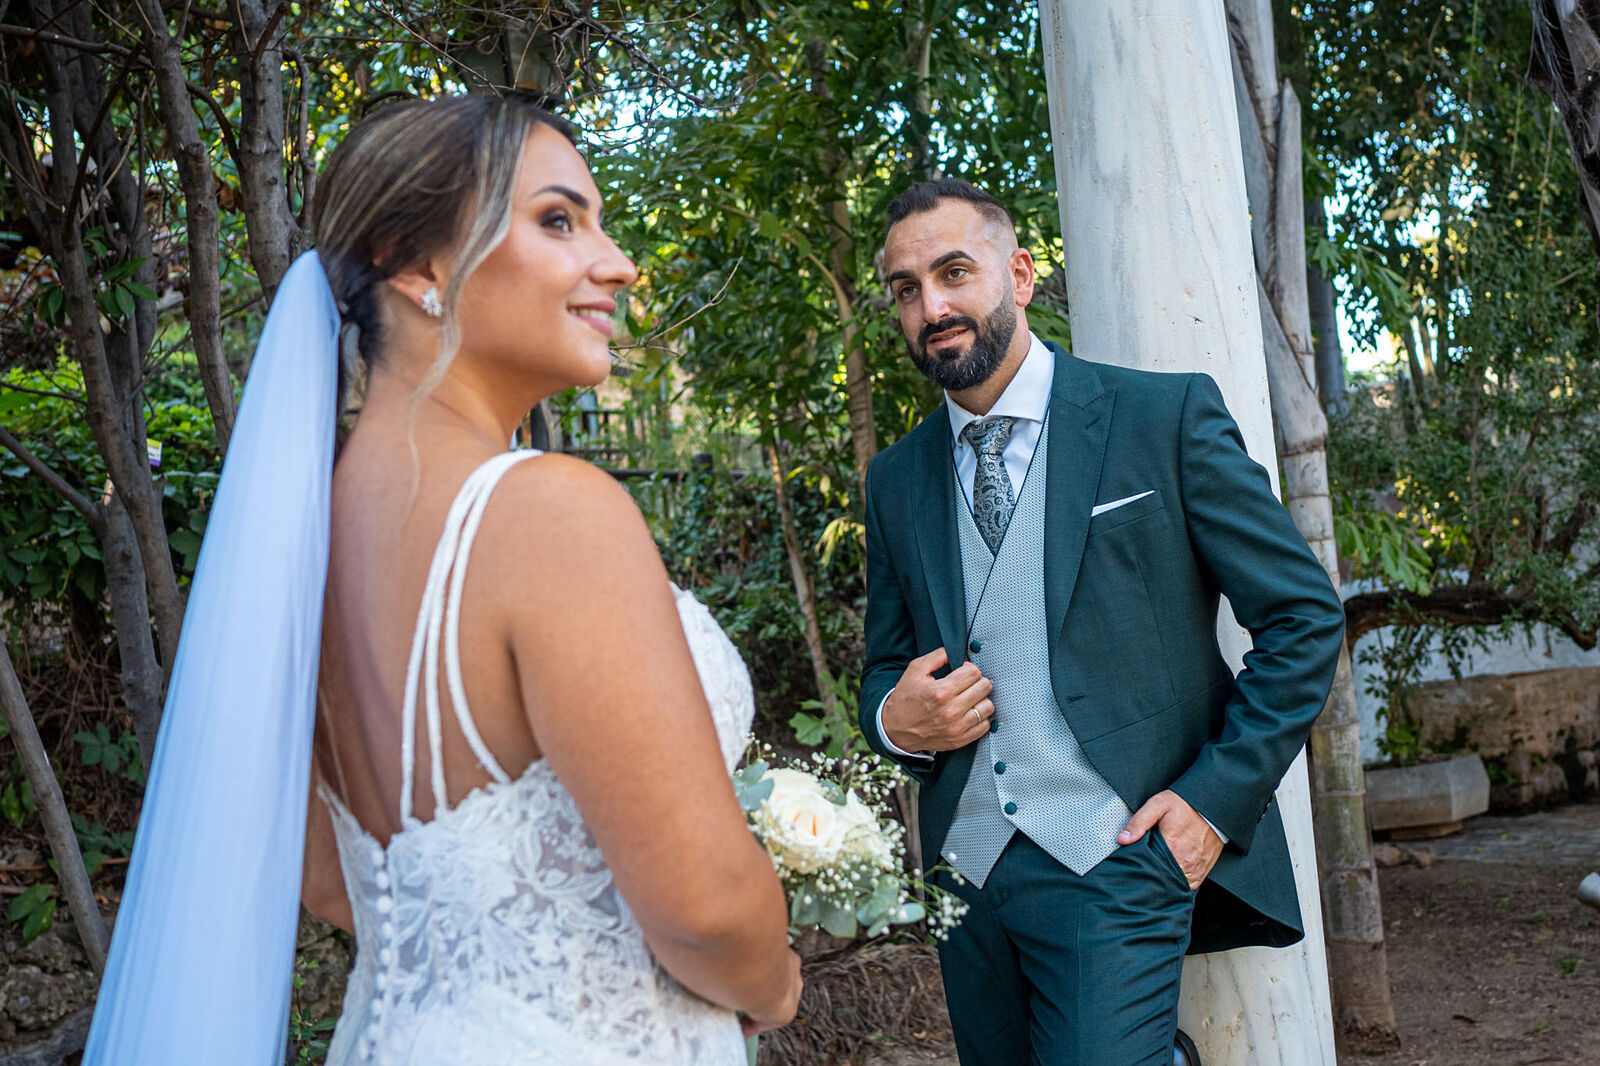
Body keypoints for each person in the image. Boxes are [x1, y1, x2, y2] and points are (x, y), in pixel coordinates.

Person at [82, 95, 799, 1066]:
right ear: (414, 264)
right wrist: (768, 976)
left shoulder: (290, 554)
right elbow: (707, 907)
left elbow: (337, 883)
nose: (618, 262)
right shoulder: (550, 513)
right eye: (559, 219)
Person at [857, 178, 1346, 1066]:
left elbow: (1304, 618)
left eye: (954, 272)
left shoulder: (1161, 416)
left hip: (1118, 854)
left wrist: (1209, 803)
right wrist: (897, 720)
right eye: (906, 288)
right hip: (966, 874)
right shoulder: (896, 480)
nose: (932, 306)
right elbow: (884, 667)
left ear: (1020, 273)